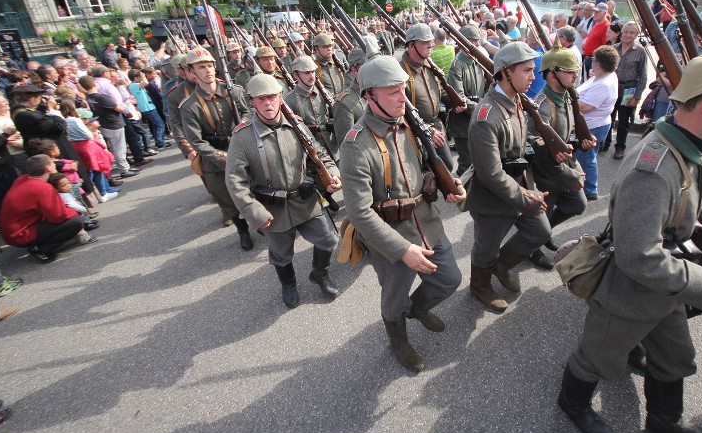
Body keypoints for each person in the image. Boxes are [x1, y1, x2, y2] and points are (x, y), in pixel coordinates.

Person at [558, 22, 702, 433]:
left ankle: (664, 422)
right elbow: (639, 257)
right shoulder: (654, 169)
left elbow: (694, 204)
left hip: (668, 285)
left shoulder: (689, 145)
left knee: (675, 357)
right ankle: (573, 404)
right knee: (597, 357)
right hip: (632, 290)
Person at [339, 56, 464, 372]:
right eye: (392, 92)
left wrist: (447, 182)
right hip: (390, 240)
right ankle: (398, 341)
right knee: (394, 300)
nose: (402, 98)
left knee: (449, 279)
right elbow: (359, 211)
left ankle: (418, 309)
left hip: (428, 224)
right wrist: (401, 250)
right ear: (369, 95)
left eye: (402, 89)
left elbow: (424, 167)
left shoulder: (410, 124)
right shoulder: (356, 144)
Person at [225, 75, 341, 308]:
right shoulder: (243, 136)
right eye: (261, 99)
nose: (267, 103)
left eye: (271, 97)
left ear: (280, 97)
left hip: (304, 200)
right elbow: (235, 180)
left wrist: (332, 173)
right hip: (272, 208)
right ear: (252, 102)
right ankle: (288, 285)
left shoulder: (296, 125)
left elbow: (320, 154)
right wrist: (254, 212)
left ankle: (320, 273)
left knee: (328, 240)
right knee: (281, 254)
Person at [466, 42, 554, 312]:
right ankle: (479, 285)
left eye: (533, 70)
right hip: (492, 198)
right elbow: (490, 173)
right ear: (505, 72)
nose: (533, 76)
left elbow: (519, 141)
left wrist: (543, 144)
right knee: (486, 248)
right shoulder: (486, 116)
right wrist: (526, 198)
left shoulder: (516, 101)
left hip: (520, 183)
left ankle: (501, 266)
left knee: (540, 231)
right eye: (527, 70)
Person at [179, 46, 254, 250]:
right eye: (201, 67)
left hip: (243, 149)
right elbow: (197, 141)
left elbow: (248, 112)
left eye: (210, 65)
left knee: (254, 190)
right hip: (216, 161)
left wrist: (242, 125)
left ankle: (258, 221)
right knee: (228, 199)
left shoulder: (233, 91)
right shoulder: (189, 105)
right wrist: (223, 157)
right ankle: (242, 230)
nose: (208, 70)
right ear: (192, 71)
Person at [526, 43, 593, 269]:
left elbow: (565, 132)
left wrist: (578, 142)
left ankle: (544, 235)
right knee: (540, 218)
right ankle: (532, 249)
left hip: (562, 165)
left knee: (577, 205)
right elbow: (531, 140)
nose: (576, 75)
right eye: (570, 71)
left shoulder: (566, 97)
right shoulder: (542, 106)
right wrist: (554, 148)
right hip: (546, 172)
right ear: (552, 74)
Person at [0, 154, 88, 263]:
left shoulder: (23, 179)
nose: (55, 164)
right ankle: (41, 249)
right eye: (52, 162)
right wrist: (76, 210)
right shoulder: (42, 187)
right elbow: (59, 216)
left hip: (13, 231)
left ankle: (39, 243)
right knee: (77, 222)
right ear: (48, 168)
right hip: (21, 234)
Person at [400, 23, 464, 170]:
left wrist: (456, 101)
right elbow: (403, 110)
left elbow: (440, 90)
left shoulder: (428, 64)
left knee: (446, 165)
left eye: (431, 41)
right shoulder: (401, 72)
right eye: (425, 42)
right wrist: (427, 129)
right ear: (411, 46)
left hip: (436, 125)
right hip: (415, 130)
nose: (431, 45)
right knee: (432, 169)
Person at [574, 46, 619, 200]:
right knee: (586, 156)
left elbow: (585, 107)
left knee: (586, 156)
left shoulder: (603, 84)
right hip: (595, 123)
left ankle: (590, 189)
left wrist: (568, 101)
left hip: (593, 125)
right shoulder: (602, 77)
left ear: (598, 64)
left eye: (593, 60)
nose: (591, 62)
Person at [447, 25, 487, 176]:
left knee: (479, 161)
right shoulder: (456, 67)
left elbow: (488, 88)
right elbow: (459, 97)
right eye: (472, 41)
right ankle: (463, 196)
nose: (476, 45)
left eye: (477, 41)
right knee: (466, 163)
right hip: (463, 124)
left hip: (479, 118)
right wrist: (482, 109)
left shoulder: (479, 63)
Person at [284, 55, 338, 160]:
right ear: (296, 75)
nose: (312, 76)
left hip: (333, 146)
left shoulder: (324, 93)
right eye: (306, 73)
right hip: (311, 152)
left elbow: (335, 114)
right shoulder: (289, 100)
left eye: (313, 72)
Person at [608, 21, 647, 159]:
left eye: (632, 32)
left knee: (623, 120)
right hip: (612, 87)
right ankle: (605, 142)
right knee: (608, 116)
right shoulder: (614, 48)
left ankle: (620, 148)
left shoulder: (640, 52)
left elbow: (643, 76)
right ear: (621, 33)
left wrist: (637, 96)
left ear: (636, 35)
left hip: (628, 89)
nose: (628, 35)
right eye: (626, 32)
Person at [332, 48, 366, 148]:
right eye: (366, 66)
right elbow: (347, 147)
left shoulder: (380, 92)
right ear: (354, 70)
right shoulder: (344, 103)